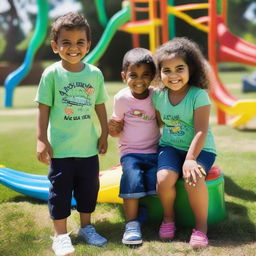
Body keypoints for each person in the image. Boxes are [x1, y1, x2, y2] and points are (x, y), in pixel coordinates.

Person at [35, 12, 108, 256]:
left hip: (87, 148)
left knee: (89, 189)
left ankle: (87, 228)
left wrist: (105, 132)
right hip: (61, 150)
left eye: (80, 42)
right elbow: (43, 108)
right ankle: (60, 236)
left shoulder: (95, 74)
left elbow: (99, 105)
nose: (73, 48)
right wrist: (41, 140)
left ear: (88, 45)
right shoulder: (52, 74)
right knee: (60, 192)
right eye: (66, 42)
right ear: (56, 46)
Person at [152, 37, 217, 248]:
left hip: (200, 148)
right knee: (163, 179)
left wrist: (190, 159)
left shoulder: (198, 96)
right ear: (159, 73)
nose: (173, 75)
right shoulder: (158, 96)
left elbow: (201, 130)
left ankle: (200, 227)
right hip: (170, 147)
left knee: (193, 177)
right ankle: (168, 219)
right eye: (166, 70)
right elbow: (160, 123)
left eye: (179, 68)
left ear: (192, 69)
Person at [108, 48, 160, 245]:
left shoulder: (156, 96)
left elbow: (162, 121)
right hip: (130, 152)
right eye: (133, 75)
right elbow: (115, 128)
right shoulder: (121, 98)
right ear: (124, 76)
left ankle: (144, 212)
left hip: (155, 150)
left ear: (153, 76)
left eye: (146, 75)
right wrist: (111, 128)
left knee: (156, 179)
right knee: (131, 177)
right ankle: (131, 224)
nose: (139, 80)